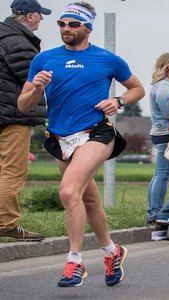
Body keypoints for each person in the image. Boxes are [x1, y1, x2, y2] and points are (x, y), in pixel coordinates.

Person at [17, 1, 145, 287]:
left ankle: (74, 261)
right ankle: (112, 251)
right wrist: (36, 88)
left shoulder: (107, 59)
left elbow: (137, 89)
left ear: (87, 28)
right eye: (62, 24)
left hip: (96, 133)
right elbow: (23, 105)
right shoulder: (44, 59)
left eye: (73, 24)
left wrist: (118, 101)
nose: (66, 28)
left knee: (68, 191)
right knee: (87, 199)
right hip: (61, 138)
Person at [0, 0, 50, 242]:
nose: (41, 19)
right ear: (30, 16)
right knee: (13, 170)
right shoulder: (19, 42)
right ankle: (6, 224)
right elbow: (32, 82)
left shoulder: (4, 36)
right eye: (40, 15)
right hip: (12, 115)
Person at [146, 52, 169, 225]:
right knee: (164, 174)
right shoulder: (164, 87)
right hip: (165, 133)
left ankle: (153, 211)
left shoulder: (164, 85)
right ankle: (156, 212)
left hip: (160, 132)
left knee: (160, 173)